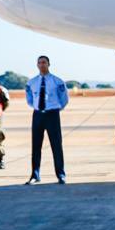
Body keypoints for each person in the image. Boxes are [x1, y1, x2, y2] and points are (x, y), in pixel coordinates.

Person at [25, 55, 68, 184]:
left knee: (56, 145)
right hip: (38, 114)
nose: (42, 65)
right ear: (37, 65)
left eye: (44, 62)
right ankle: (35, 174)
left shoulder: (57, 81)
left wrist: (56, 108)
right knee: (36, 145)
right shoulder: (31, 82)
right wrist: (38, 108)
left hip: (52, 114)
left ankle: (60, 174)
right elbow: (29, 99)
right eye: (40, 63)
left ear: (49, 64)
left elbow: (64, 99)